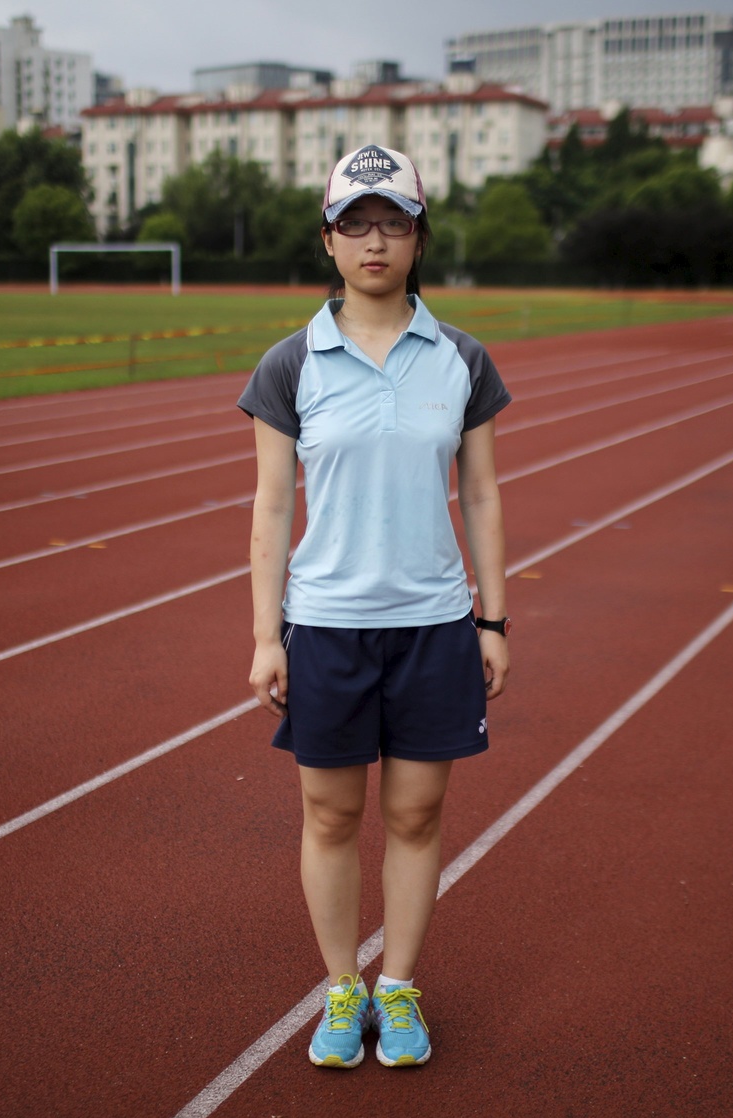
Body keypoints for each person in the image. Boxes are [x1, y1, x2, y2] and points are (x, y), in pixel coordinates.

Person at [238, 145, 512, 1069]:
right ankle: (339, 988)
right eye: (355, 222)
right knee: (327, 816)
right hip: (325, 626)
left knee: (418, 815)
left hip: (434, 623)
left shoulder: (462, 356)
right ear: (328, 238)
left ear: (419, 237)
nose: (374, 241)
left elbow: (480, 494)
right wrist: (265, 635)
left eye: (393, 221)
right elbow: (273, 505)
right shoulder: (291, 363)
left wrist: (494, 618)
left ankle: (397, 987)